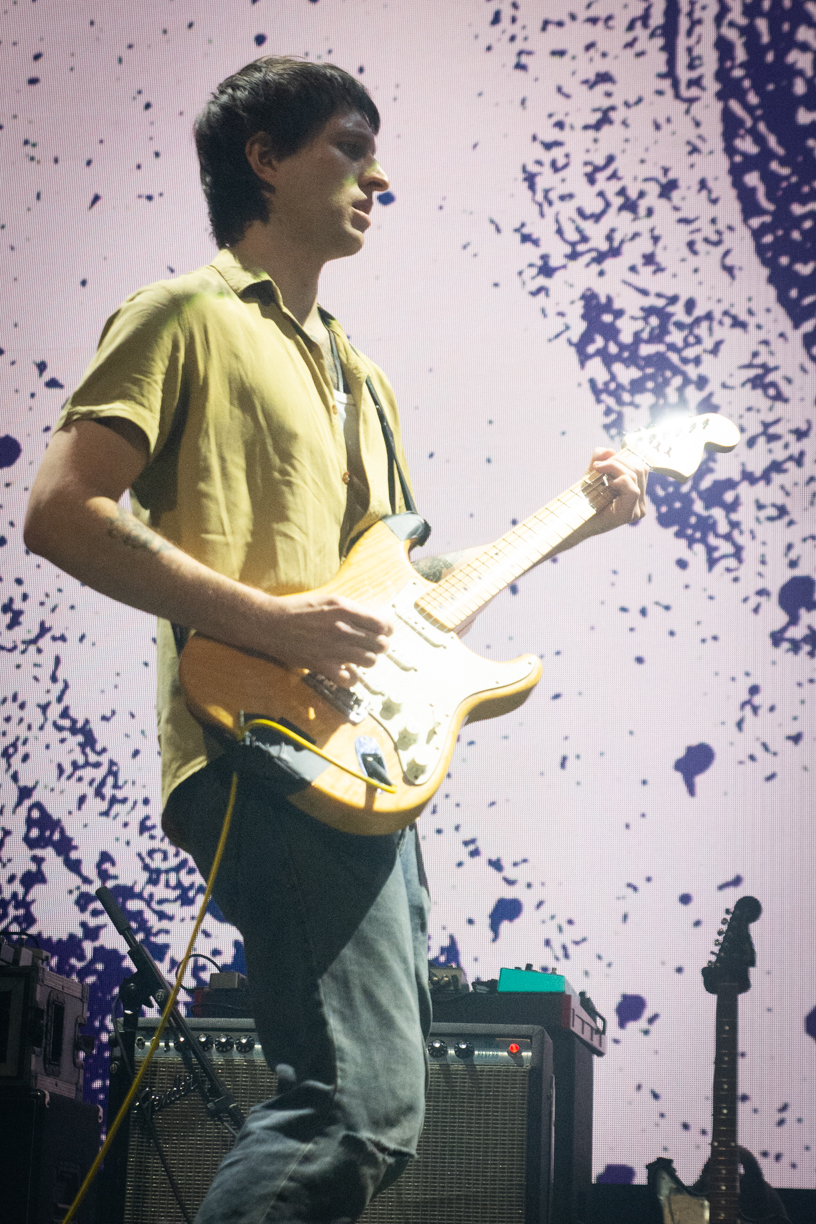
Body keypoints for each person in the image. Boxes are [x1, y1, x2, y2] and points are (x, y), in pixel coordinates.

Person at [24, 57, 647, 1223]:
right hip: (258, 742)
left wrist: (576, 518)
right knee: (351, 1108)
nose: (378, 176)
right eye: (349, 148)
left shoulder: (364, 378)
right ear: (263, 157)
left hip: (362, 761)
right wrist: (272, 622)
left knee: (375, 1111)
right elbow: (60, 511)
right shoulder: (184, 316)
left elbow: (403, 588)